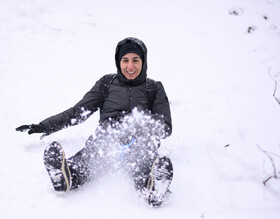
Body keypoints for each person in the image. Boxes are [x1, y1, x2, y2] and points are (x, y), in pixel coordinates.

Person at [16, 37, 173, 207]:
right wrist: (45, 125)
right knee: (92, 154)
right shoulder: (106, 83)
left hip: (140, 139)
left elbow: (164, 127)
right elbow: (78, 112)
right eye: (125, 60)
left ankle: (153, 187)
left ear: (144, 61)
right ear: (118, 62)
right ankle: (66, 176)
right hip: (108, 138)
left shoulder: (154, 88)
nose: (130, 66)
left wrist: (141, 124)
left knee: (143, 156)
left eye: (136, 60)